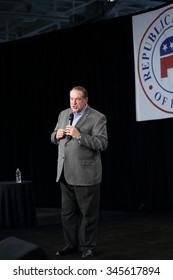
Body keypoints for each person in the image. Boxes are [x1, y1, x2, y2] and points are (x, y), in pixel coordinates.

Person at [51, 85, 108, 258]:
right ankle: (70, 244)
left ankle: (87, 247)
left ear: (86, 100)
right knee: (67, 214)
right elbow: (53, 136)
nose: (73, 103)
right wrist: (56, 135)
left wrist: (79, 135)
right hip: (65, 172)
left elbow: (102, 143)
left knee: (88, 215)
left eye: (77, 99)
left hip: (86, 175)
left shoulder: (97, 117)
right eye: (71, 99)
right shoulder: (63, 114)